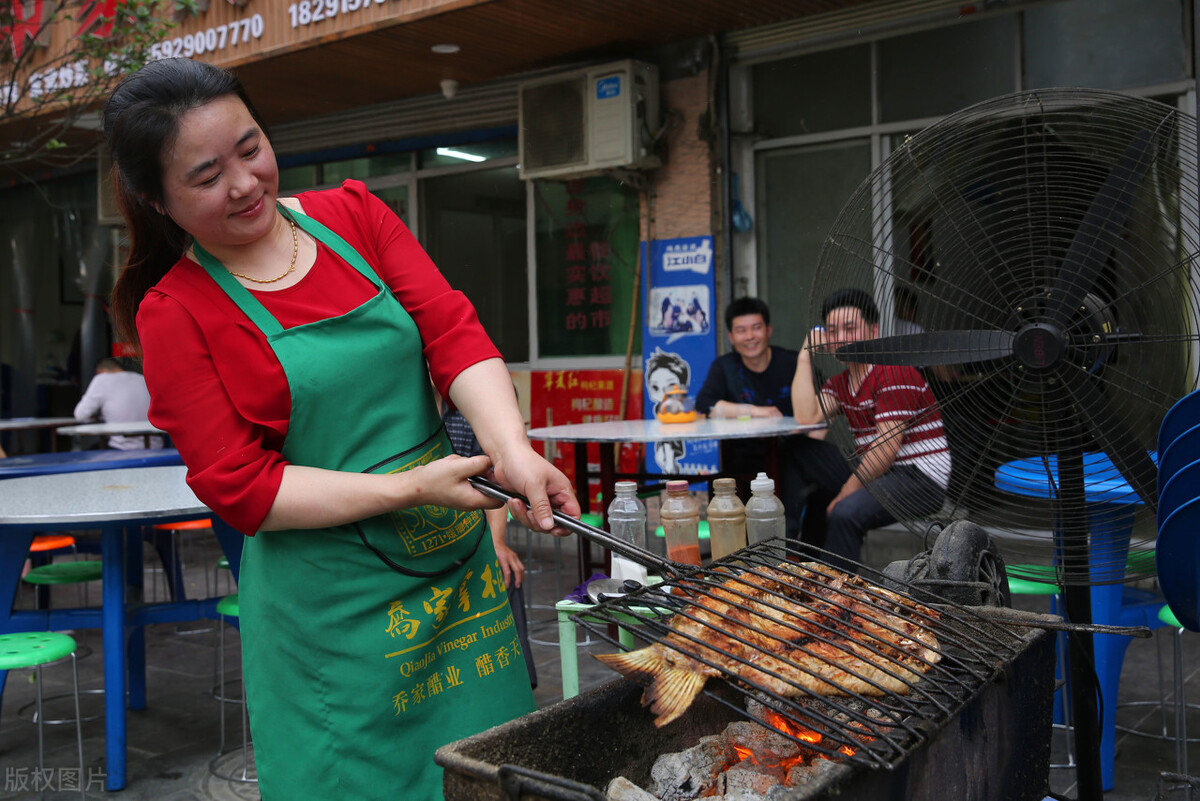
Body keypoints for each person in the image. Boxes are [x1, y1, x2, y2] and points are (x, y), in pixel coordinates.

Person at [103, 58, 578, 800]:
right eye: (207, 176)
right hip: (330, 613)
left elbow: (450, 331)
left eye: (251, 148)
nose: (244, 183)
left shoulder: (353, 215)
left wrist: (512, 450)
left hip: (457, 583)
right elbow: (240, 486)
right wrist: (412, 486)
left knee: (493, 774)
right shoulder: (176, 312)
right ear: (155, 198)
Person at [790, 288, 951, 568]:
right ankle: (795, 557)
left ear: (873, 331)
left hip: (919, 478)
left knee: (844, 512)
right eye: (832, 331)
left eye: (850, 328)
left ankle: (835, 590)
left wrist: (844, 493)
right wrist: (805, 356)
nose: (841, 338)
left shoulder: (894, 371)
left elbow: (884, 451)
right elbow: (806, 417)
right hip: (880, 473)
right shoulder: (841, 383)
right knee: (796, 450)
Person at [72, 357, 164, 449]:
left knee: (87, 451)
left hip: (123, 447)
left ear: (100, 372)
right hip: (155, 446)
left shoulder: (101, 379)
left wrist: (94, 417)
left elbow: (80, 414)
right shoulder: (141, 378)